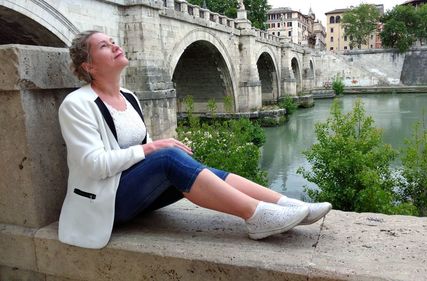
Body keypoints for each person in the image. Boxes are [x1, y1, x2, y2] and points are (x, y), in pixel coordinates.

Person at [58, 30, 332, 249]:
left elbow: (142, 151)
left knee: (190, 166)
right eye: (105, 46)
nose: (116, 46)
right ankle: (256, 215)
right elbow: (93, 165)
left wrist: (152, 149)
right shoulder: (77, 104)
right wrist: (152, 148)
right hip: (104, 205)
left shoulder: (129, 97)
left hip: (132, 191)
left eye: (114, 41)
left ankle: (285, 204)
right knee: (167, 156)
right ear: (89, 66)